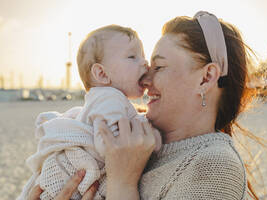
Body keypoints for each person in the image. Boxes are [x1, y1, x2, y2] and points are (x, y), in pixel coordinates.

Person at [28, 11, 267, 200]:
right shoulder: (135, 135)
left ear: (206, 78)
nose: (145, 80)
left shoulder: (215, 166)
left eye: (159, 67)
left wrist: (122, 182)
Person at [18, 25, 162, 200]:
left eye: (143, 56)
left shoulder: (103, 100)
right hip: (70, 177)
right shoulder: (110, 98)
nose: (145, 63)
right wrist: (149, 133)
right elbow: (108, 146)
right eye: (132, 57)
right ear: (101, 73)